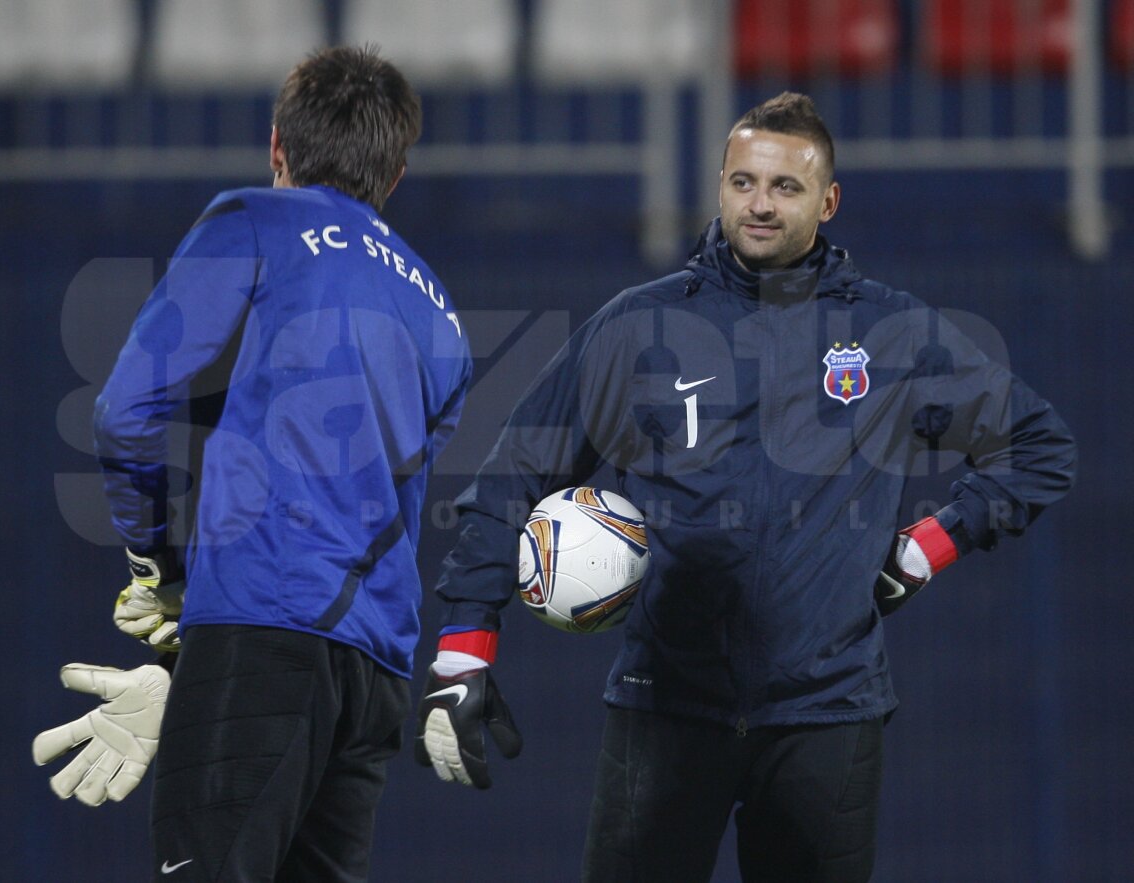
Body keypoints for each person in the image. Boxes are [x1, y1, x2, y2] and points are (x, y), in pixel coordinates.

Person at [414, 92, 1076, 882]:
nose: (759, 203)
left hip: (826, 717)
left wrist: (931, 545)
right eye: (742, 182)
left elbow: (1038, 445)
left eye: (785, 187)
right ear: (721, 185)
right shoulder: (638, 328)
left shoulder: (892, 334)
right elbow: (512, 475)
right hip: (664, 709)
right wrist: (461, 653)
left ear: (828, 202)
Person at [41, 45, 471, 881]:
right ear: (399, 171)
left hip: (261, 633)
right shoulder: (443, 315)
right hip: (377, 668)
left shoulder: (252, 221)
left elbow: (125, 413)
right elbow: (379, 489)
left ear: (276, 143)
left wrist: (154, 566)